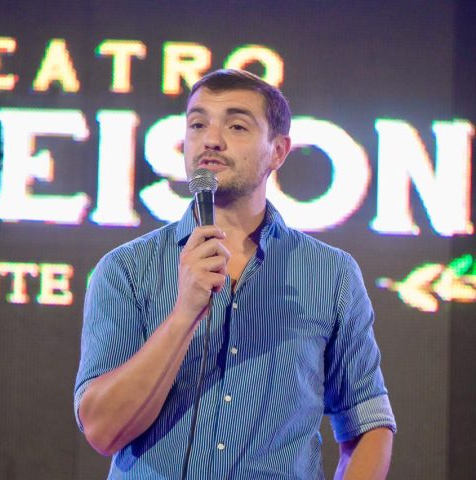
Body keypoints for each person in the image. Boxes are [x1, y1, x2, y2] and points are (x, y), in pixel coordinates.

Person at [74, 69, 396, 479]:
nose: (211, 139)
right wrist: (184, 314)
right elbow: (103, 431)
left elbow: (368, 424)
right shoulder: (127, 269)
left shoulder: (330, 273)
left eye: (237, 126)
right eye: (197, 124)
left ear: (278, 151)